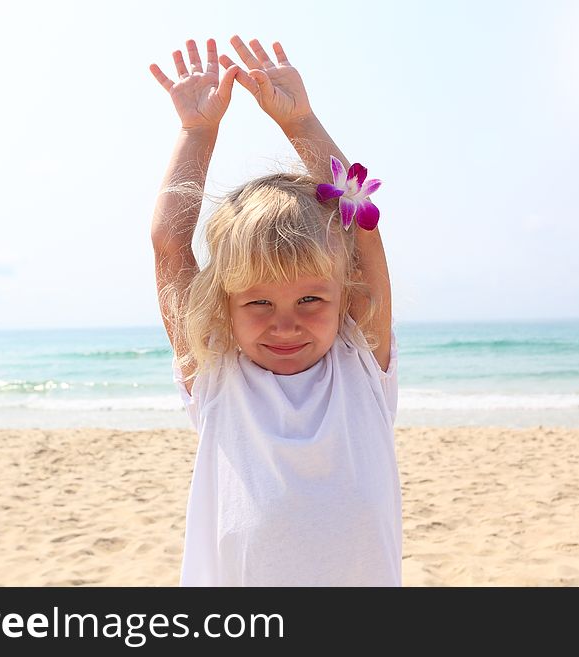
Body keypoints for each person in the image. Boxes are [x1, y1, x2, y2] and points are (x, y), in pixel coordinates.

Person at [149, 35, 401, 586]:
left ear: (346, 292)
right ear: (223, 306)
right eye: (258, 302)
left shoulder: (360, 362)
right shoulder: (217, 376)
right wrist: (197, 133)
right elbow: (170, 242)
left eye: (310, 299)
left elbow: (360, 222)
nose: (284, 323)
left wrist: (301, 121)